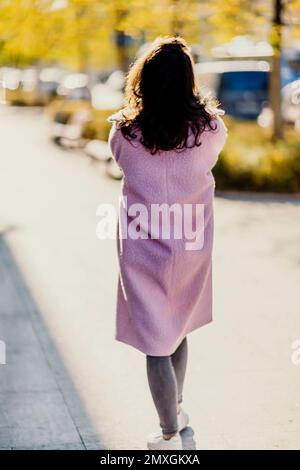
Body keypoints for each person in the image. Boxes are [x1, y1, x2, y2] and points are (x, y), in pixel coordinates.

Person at [108, 36, 227, 450]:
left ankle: (168, 433)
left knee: (156, 341)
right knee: (176, 328)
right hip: (191, 246)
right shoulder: (210, 130)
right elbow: (210, 160)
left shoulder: (124, 133)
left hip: (143, 249)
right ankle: (175, 407)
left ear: (144, 79)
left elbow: (123, 164)